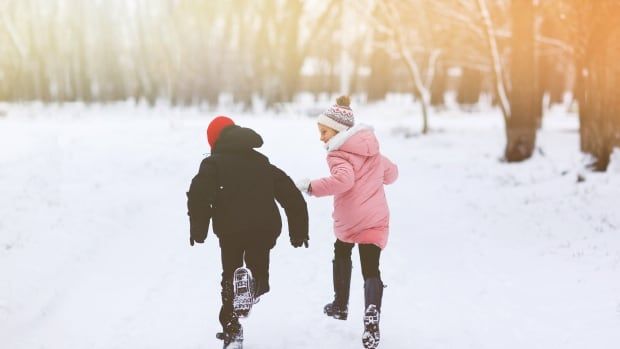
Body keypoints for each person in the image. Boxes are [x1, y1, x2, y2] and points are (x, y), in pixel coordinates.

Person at [187, 116, 309, 348]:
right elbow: (291, 194)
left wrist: (199, 229)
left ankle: (232, 329)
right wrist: (299, 231)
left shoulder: (213, 165)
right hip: (263, 227)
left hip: (230, 228)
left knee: (230, 276)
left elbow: (198, 195)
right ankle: (254, 286)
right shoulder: (263, 164)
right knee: (257, 270)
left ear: (214, 141)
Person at [296, 96, 398, 349]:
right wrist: (377, 172)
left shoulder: (338, 154)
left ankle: (340, 304)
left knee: (342, 251)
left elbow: (344, 181)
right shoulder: (373, 151)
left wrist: (311, 186)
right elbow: (392, 174)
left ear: (338, 131)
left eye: (324, 131)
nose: (321, 137)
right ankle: (372, 314)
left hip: (351, 218)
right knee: (371, 267)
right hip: (375, 218)